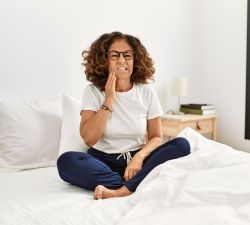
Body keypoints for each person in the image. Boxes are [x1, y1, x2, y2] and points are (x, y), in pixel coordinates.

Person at [57, 31, 190, 200]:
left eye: (127, 55)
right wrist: (109, 99)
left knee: (182, 144)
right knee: (66, 161)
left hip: (139, 160)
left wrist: (139, 158)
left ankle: (122, 190)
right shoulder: (92, 91)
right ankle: (136, 184)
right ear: (104, 60)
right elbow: (89, 139)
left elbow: (156, 136)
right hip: (103, 162)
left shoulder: (146, 91)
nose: (121, 60)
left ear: (135, 60)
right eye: (114, 55)